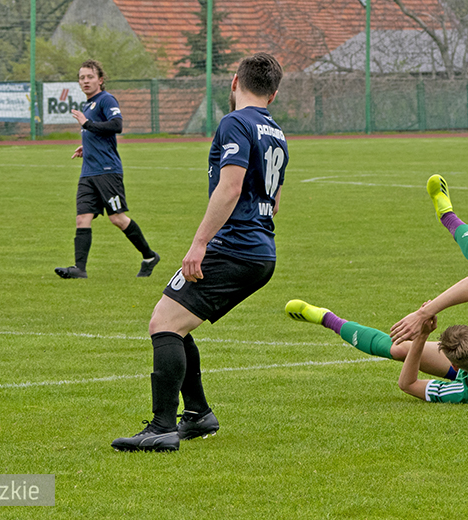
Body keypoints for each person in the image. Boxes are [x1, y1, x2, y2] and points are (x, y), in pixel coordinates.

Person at [111, 53, 288, 452]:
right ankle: (197, 414)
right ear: (273, 93)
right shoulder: (275, 131)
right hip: (261, 249)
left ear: (234, 82)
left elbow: (230, 187)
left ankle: (161, 427)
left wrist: (200, 242)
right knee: (175, 319)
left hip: (234, 247)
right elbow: (274, 200)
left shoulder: (235, 122)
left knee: (164, 323)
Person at [285, 174, 468, 404]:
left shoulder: (467, 390)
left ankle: (325, 317)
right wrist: (424, 315)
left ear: (458, 369)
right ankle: (447, 214)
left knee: (400, 350)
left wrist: (421, 335)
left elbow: (408, 384)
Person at [54, 59, 159, 280]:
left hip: (107, 170)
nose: (85, 81)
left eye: (90, 77)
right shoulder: (87, 105)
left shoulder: (105, 99)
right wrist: (87, 144)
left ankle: (149, 257)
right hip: (88, 172)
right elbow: (98, 132)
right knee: (82, 218)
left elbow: (116, 125)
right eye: (81, 78)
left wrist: (86, 125)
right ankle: (79, 269)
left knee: (117, 219)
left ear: (100, 80)